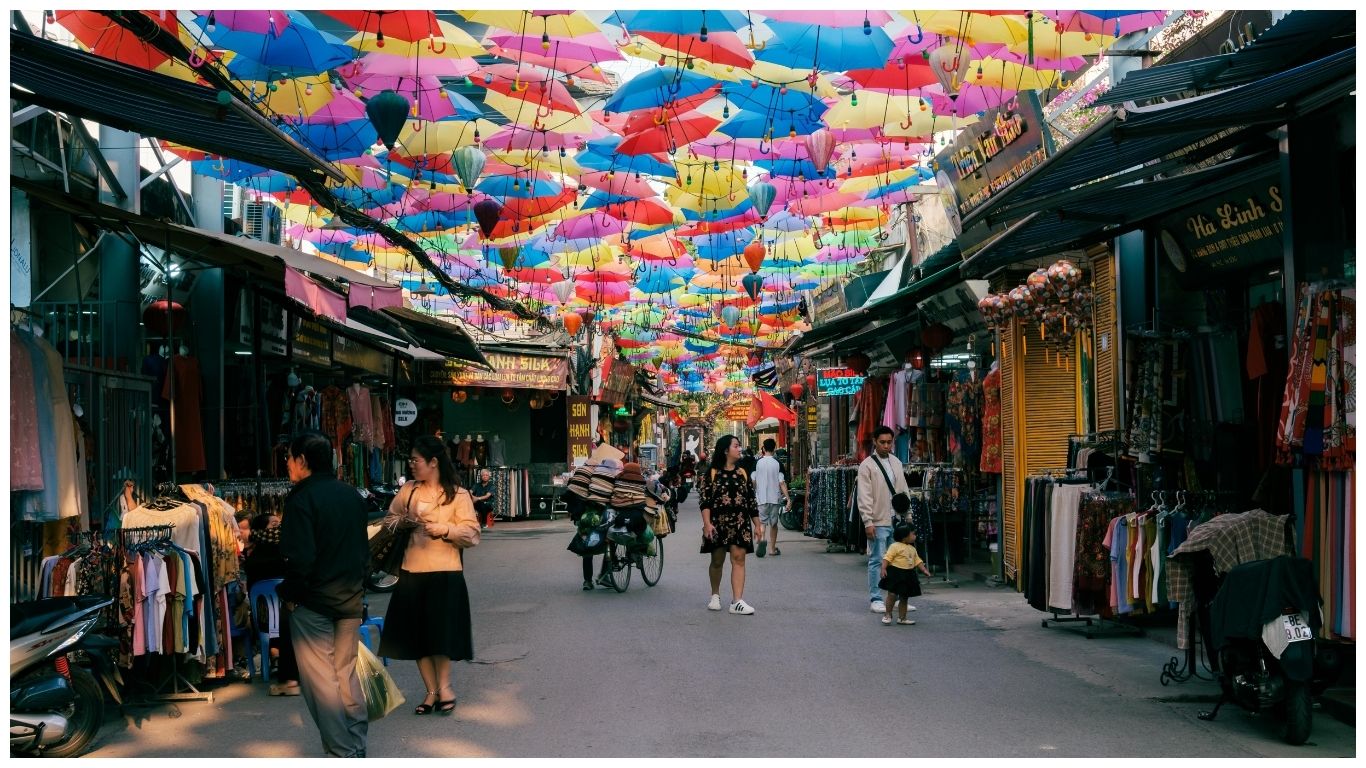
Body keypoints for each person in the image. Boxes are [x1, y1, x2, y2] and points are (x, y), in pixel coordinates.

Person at [278, 431, 369, 758]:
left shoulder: (301, 499)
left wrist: (290, 594)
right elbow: (363, 550)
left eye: (289, 457)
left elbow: (299, 557)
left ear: (302, 461)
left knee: (322, 685)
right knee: (346, 676)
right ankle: (356, 746)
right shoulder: (352, 495)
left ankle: (341, 753)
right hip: (349, 600)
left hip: (313, 602)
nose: (287, 464)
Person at [379, 435, 481, 715]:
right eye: (410, 460)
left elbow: (472, 534)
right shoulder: (409, 491)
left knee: (441, 636)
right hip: (411, 573)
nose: (412, 465)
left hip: (446, 573)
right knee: (417, 637)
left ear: (433, 463)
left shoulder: (458, 495)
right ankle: (431, 691)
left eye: (416, 460)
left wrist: (445, 530)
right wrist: (405, 522)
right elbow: (389, 520)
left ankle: (445, 687)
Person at [699, 435, 762, 615]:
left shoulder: (743, 473)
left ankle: (737, 601)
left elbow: (751, 501)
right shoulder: (711, 474)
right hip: (717, 523)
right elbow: (705, 501)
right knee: (717, 560)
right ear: (726, 450)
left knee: (739, 559)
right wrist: (707, 524)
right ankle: (715, 595)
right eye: (736, 446)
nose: (740, 448)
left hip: (740, 523)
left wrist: (757, 525)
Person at [244, 512, 300, 696]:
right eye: (274, 524)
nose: (278, 528)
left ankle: (275, 655)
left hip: (263, 622)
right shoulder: (286, 557)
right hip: (286, 619)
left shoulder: (252, 561)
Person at [857, 425, 910, 615]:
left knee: (897, 560)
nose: (886, 446)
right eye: (882, 442)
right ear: (875, 442)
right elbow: (864, 496)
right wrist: (868, 521)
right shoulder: (867, 466)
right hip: (878, 520)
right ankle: (876, 598)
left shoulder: (896, 462)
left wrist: (908, 516)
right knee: (877, 559)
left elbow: (903, 490)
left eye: (889, 442)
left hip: (895, 518)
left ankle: (893, 597)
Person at [878, 524, 931, 625]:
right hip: (895, 574)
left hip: (908, 574)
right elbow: (887, 558)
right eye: (913, 534)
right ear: (904, 537)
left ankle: (902, 618)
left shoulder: (912, 549)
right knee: (892, 594)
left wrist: (924, 569)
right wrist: (883, 568)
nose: (915, 536)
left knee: (904, 597)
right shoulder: (894, 546)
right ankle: (887, 614)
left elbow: (917, 560)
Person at [752, 439, 790, 558]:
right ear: (774, 449)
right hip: (775, 497)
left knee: (762, 522)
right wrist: (788, 498)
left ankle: (762, 538)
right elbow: (782, 482)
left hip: (761, 498)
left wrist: (755, 491)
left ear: (763, 449)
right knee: (774, 524)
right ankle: (772, 549)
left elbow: (753, 480)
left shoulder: (757, 463)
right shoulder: (777, 463)